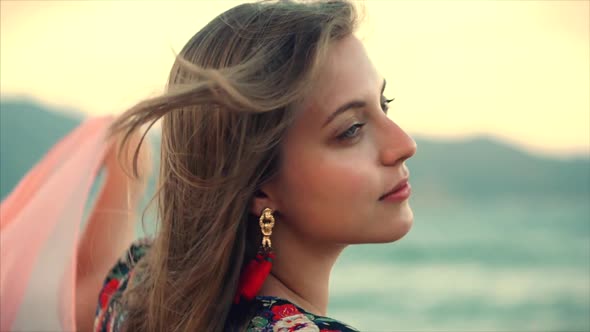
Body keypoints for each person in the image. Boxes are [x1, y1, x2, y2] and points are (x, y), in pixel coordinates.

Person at [92, 0, 417, 331]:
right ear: (259, 185)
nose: (405, 145)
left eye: (384, 104)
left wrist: (124, 176)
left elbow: (86, 276)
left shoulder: (135, 288)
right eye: (351, 129)